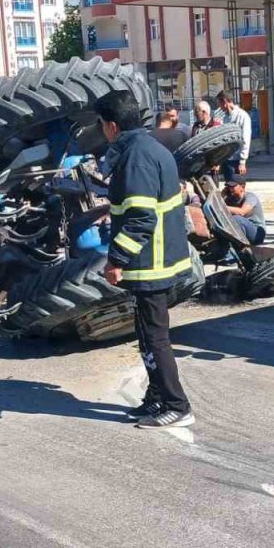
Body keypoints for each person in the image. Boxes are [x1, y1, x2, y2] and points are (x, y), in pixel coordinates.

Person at [97, 89, 195, 430]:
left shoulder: (136, 158)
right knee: (147, 335)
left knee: (155, 338)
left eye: (101, 125)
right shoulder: (148, 148)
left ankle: (177, 405)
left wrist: (116, 259)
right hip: (155, 260)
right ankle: (156, 397)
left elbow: (140, 217)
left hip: (151, 263)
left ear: (112, 126)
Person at [213, 90, 251, 176]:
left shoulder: (242, 116)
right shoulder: (226, 117)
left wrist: (242, 162)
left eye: (220, 104)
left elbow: (245, 139)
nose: (220, 107)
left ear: (225, 101)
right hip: (227, 159)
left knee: (236, 184)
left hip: (237, 161)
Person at [222, 172, 266, 246]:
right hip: (244, 229)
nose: (230, 189)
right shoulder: (230, 199)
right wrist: (222, 196)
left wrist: (222, 206)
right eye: (229, 187)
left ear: (242, 187)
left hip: (257, 233)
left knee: (236, 218)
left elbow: (242, 212)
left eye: (233, 186)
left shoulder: (250, 197)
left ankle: (240, 246)